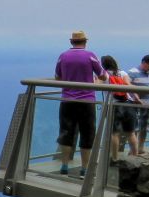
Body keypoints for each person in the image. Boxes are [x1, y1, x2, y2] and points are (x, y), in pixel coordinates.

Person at [54, 30, 106, 176]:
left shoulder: (63, 56)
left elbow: (58, 77)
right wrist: (96, 81)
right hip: (87, 100)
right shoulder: (90, 56)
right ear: (85, 41)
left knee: (66, 132)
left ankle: (64, 165)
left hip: (67, 100)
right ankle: (84, 168)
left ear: (71, 42)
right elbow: (102, 75)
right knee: (87, 133)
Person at [101, 55, 141, 160]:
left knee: (114, 133)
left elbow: (96, 84)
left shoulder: (104, 75)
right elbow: (128, 85)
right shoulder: (122, 73)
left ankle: (114, 158)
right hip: (127, 103)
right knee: (131, 133)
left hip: (113, 105)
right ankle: (135, 157)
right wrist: (137, 98)